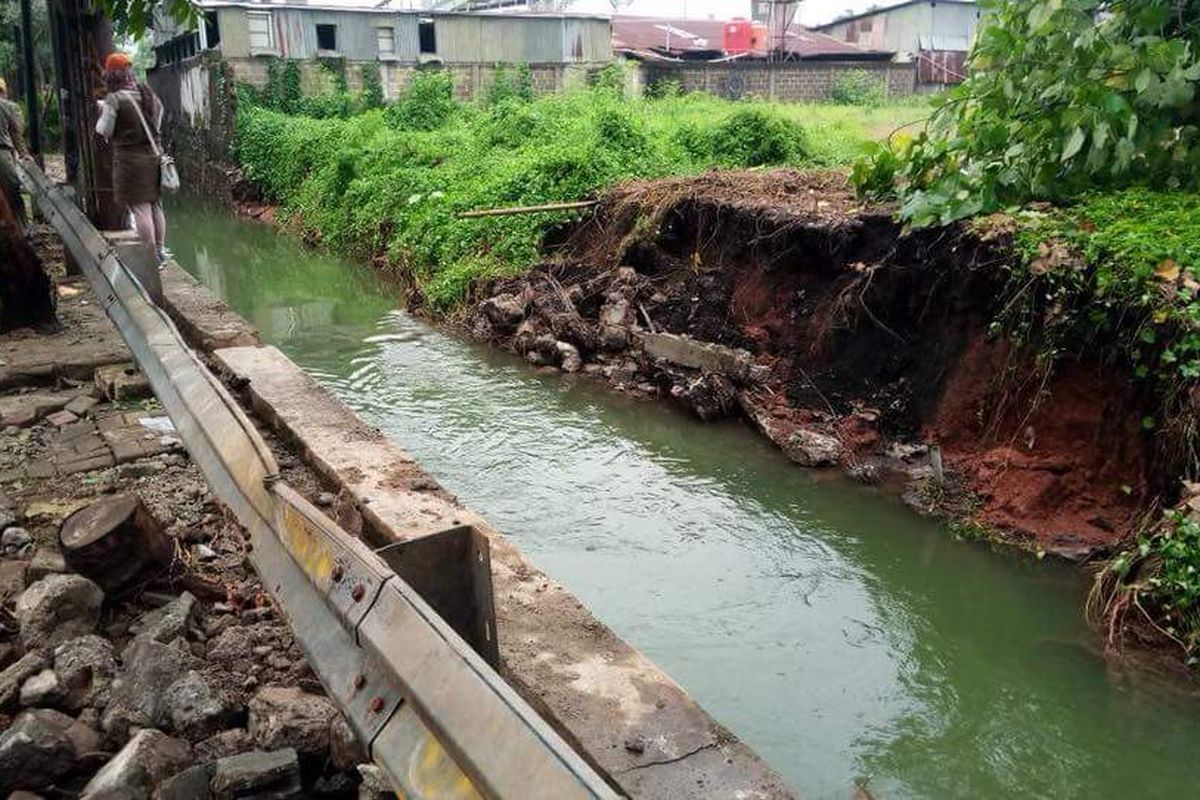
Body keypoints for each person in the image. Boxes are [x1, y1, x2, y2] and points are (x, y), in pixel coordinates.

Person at [95, 52, 168, 263]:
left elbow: (105, 130)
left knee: (140, 207)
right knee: (155, 205)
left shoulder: (114, 99)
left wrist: (102, 111)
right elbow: (160, 115)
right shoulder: (147, 93)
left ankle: (150, 256)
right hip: (154, 155)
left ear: (110, 76)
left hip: (130, 161)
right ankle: (160, 251)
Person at [0, 77, 29, 231]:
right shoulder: (9, 106)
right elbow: (17, 133)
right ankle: (23, 230)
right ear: (3, 91)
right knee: (12, 192)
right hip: (2, 155)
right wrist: (24, 154)